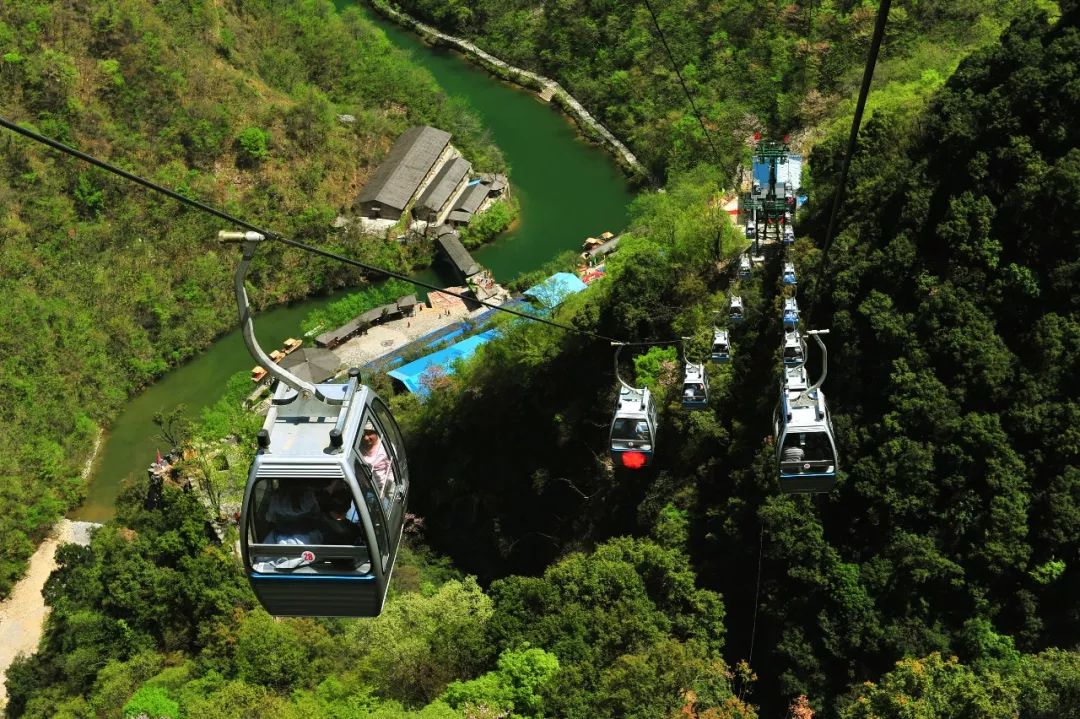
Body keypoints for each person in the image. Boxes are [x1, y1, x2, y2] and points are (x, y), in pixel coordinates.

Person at [360, 428, 395, 496]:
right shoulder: (359, 445)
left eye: (369, 433)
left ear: (377, 432)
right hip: (363, 486)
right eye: (364, 434)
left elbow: (391, 471)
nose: (366, 438)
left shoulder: (387, 448)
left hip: (381, 487)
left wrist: (384, 490)